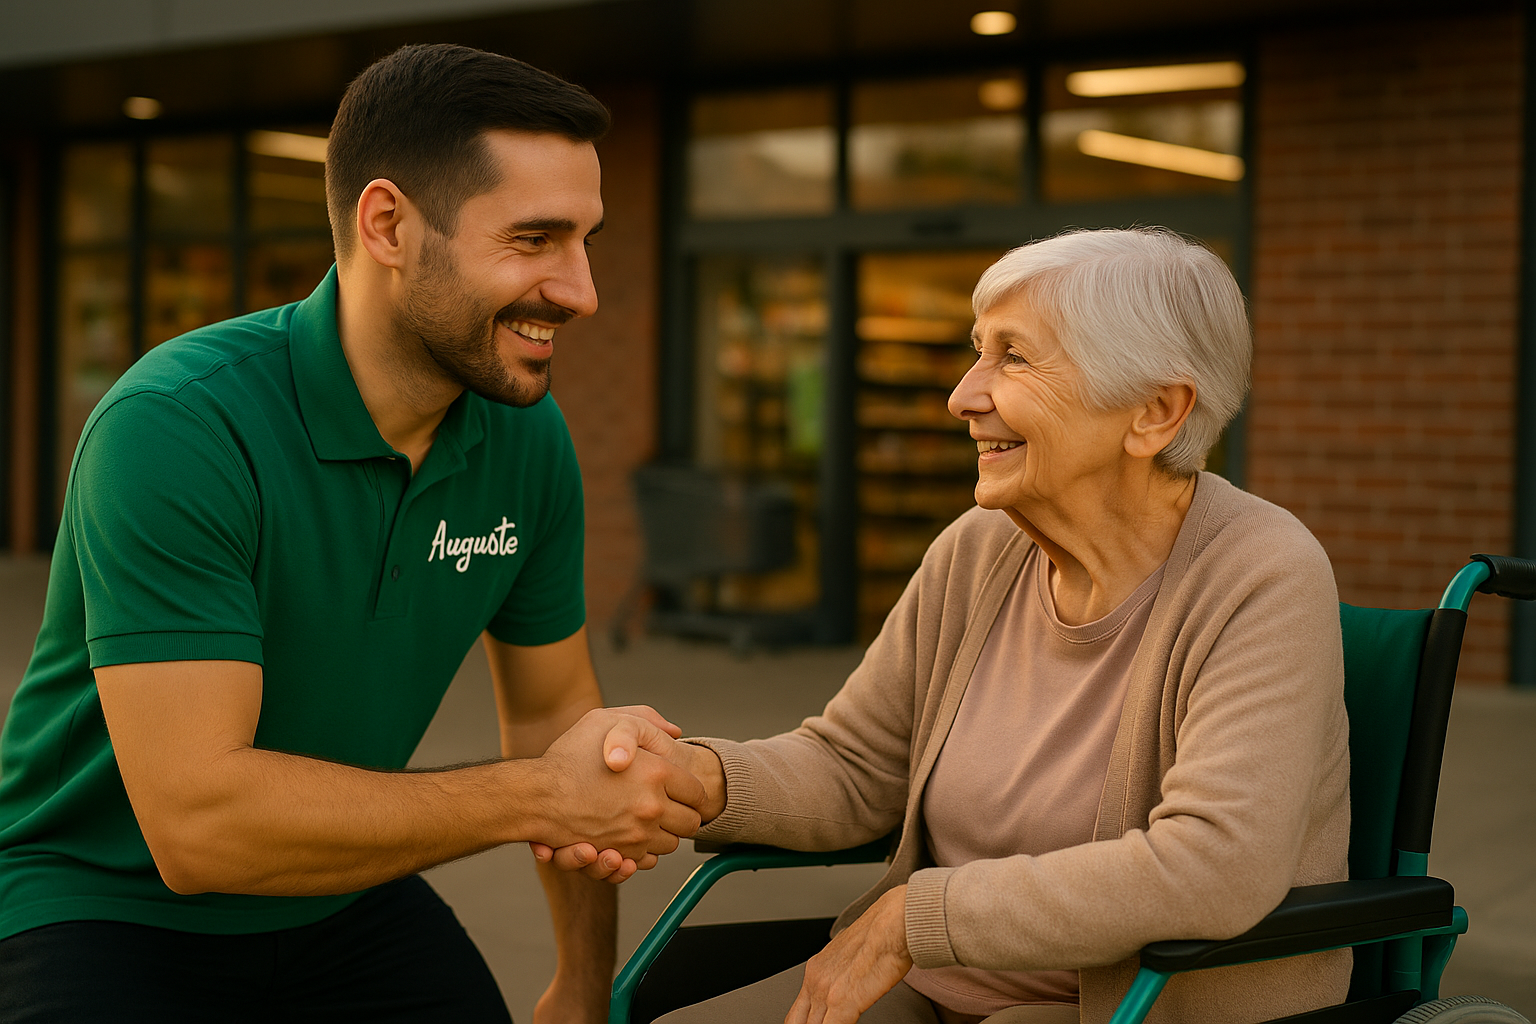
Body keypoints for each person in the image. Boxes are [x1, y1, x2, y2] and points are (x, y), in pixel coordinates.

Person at [0, 44, 704, 1024]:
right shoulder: (179, 425)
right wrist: (538, 795)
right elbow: (200, 827)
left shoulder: (524, 435)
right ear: (388, 225)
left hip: (338, 890)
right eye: (535, 239)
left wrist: (584, 990)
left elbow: (559, 730)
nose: (580, 290)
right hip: (104, 905)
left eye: (585, 240)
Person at [570, 228, 1353, 1024]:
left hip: (1122, 1005)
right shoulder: (980, 551)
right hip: (940, 986)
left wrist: (921, 917)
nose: (962, 395)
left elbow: (1215, 865)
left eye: (1013, 357)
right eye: (978, 351)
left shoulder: (1261, 574)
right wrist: (698, 776)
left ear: (1154, 412)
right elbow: (855, 765)